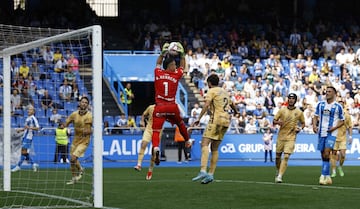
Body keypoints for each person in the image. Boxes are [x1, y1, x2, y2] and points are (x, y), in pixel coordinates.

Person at [191, 74, 239, 184]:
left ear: (209, 83)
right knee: (215, 148)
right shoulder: (224, 92)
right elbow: (232, 104)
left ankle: (203, 170)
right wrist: (236, 112)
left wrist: (199, 118)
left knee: (204, 143)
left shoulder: (211, 91)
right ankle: (211, 174)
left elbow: (207, 105)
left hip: (216, 120)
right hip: (226, 121)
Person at [151, 42, 191, 166]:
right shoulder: (176, 75)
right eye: (173, 64)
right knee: (180, 124)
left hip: (159, 106)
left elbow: (158, 63)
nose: (175, 65)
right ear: (169, 66)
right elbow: (183, 67)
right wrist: (183, 55)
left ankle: (156, 147)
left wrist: (163, 53)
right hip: (172, 106)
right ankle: (187, 140)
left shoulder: (158, 73)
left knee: (156, 131)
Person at [312, 86, 344, 185]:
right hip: (321, 132)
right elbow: (315, 116)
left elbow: (342, 121)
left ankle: (322, 176)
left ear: (334, 94)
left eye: (330, 91)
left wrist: (334, 128)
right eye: (326, 91)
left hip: (332, 133)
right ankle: (328, 176)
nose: (327, 93)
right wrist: (314, 125)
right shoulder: (320, 104)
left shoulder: (338, 106)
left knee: (326, 153)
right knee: (323, 154)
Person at [273, 93, 305, 183]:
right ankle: (278, 170)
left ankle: (280, 176)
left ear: (295, 100)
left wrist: (300, 128)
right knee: (277, 156)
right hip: (281, 135)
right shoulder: (282, 110)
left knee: (286, 156)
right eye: (290, 98)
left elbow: (303, 123)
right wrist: (278, 122)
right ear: (288, 99)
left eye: (293, 98)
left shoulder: (299, 112)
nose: (291, 100)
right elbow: (274, 120)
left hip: (291, 136)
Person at [65, 96, 92, 185]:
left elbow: (88, 131)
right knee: (72, 160)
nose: (84, 104)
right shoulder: (74, 114)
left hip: (84, 141)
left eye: (86, 103)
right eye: (82, 102)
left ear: (87, 105)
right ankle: (74, 177)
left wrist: (84, 130)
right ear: (79, 103)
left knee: (73, 158)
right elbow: (66, 123)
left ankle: (80, 169)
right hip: (76, 139)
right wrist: (65, 128)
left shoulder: (89, 115)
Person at [11, 106, 40, 172]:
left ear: (33, 111)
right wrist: (21, 130)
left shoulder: (33, 118)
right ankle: (33, 164)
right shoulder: (28, 118)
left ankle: (18, 166)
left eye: (30, 110)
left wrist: (29, 128)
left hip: (29, 137)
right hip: (25, 136)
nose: (28, 111)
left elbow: (38, 128)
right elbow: (26, 128)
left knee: (23, 151)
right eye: (28, 110)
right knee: (24, 152)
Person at [133, 104, 157, 180]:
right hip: (149, 129)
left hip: (157, 131)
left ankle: (150, 170)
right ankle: (139, 165)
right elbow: (144, 114)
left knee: (154, 151)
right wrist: (142, 121)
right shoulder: (151, 107)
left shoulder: (164, 109)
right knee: (143, 144)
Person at [330, 101, 352, 178]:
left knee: (343, 155)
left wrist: (350, 136)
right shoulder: (333, 115)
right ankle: (333, 170)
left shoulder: (347, 115)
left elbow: (350, 126)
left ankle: (340, 166)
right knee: (333, 155)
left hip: (343, 138)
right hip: (334, 137)